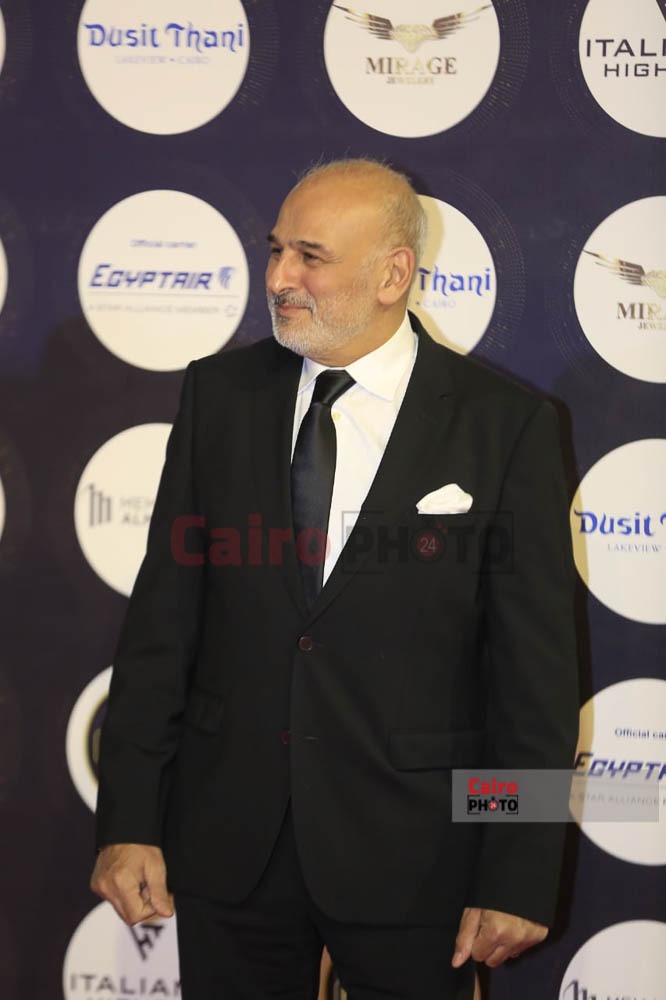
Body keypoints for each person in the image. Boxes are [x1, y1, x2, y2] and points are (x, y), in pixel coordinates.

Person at [91, 159, 578, 999]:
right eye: (277, 250)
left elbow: (532, 678)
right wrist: (130, 819)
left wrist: (518, 868)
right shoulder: (220, 396)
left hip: (420, 859)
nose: (279, 277)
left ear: (393, 274)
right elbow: (162, 627)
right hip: (230, 849)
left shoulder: (507, 426)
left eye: (309, 257)